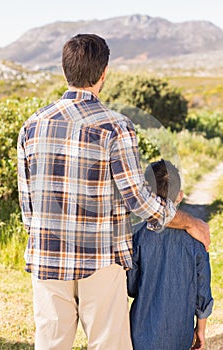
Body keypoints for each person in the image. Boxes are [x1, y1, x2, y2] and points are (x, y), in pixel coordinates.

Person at [17, 34, 210, 350]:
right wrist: (190, 222)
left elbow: (29, 210)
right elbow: (139, 201)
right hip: (101, 260)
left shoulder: (32, 126)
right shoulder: (116, 126)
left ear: (65, 70)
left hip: (47, 258)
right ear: (103, 73)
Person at [127, 159, 213, 350]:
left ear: (147, 198)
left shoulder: (138, 236)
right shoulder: (196, 238)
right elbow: (203, 292)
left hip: (141, 334)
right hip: (179, 335)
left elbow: (132, 287)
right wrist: (200, 330)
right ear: (180, 196)